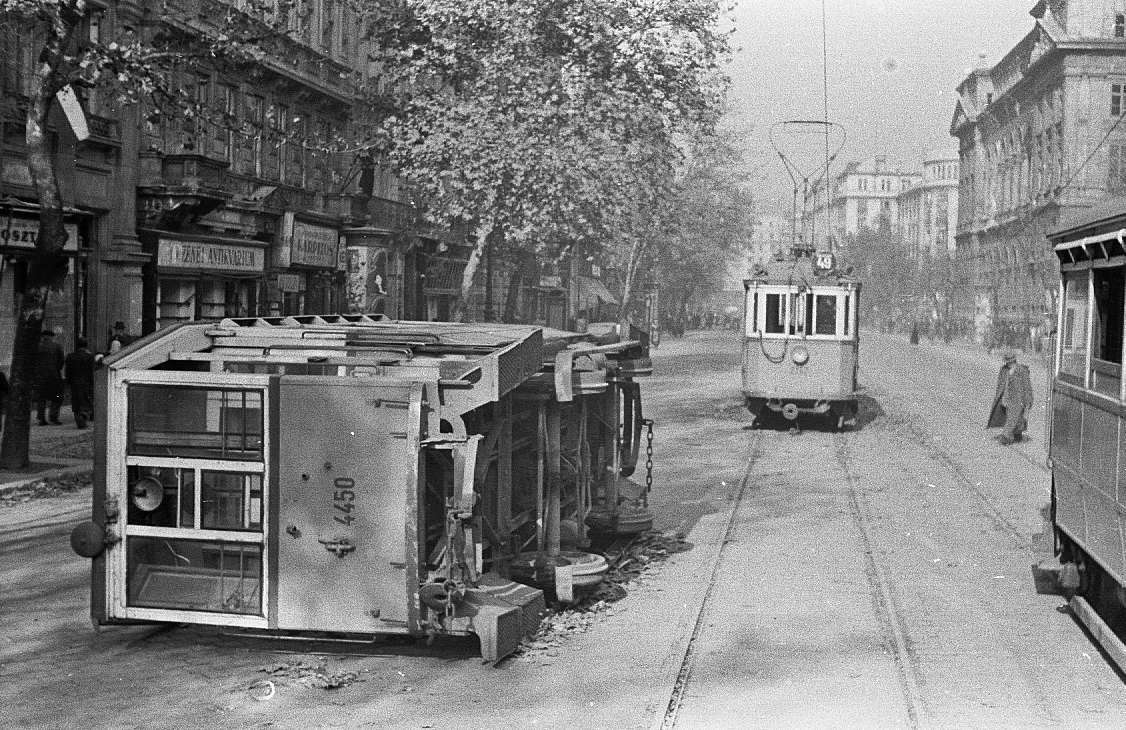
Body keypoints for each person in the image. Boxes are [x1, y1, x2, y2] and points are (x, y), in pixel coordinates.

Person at [987, 349, 1034, 445]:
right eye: (1008, 361)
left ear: (1014, 361)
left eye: (1010, 361)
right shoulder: (1004, 370)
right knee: (1014, 418)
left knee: (1013, 418)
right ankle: (1017, 434)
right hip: (1007, 398)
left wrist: (1028, 403)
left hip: (1018, 400)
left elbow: (1027, 388)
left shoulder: (1022, 371)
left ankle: (1005, 436)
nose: (1009, 363)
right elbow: (1001, 385)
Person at [64, 337, 97, 429]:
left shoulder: (70, 356)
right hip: (87, 383)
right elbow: (92, 371)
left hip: (75, 383)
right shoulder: (90, 357)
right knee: (87, 400)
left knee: (76, 401)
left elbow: (68, 371)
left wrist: (68, 382)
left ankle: (79, 417)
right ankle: (83, 415)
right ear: (86, 346)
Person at [35, 329, 65, 425]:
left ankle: (41, 418)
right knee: (56, 397)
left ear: (42, 337)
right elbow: (61, 361)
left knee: (41, 398)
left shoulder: (37, 347)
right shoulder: (57, 347)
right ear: (52, 337)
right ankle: (53, 417)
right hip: (54, 376)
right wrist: (57, 369)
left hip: (40, 376)